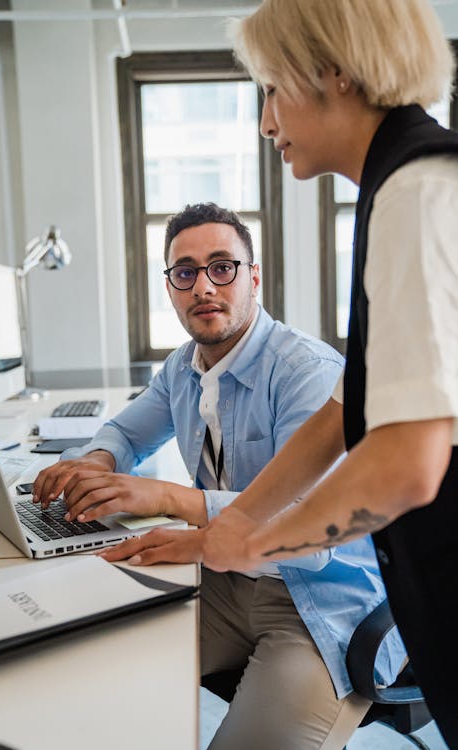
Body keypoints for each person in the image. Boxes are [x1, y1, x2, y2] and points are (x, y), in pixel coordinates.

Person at [34, 202, 406, 750]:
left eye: (221, 267)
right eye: (185, 272)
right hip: (225, 581)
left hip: (320, 606)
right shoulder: (184, 367)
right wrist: (96, 462)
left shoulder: (307, 373)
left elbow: (312, 540)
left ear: (253, 277)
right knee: (84, 669)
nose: (203, 286)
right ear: (170, 288)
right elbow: (127, 433)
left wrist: (175, 498)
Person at [185, 1, 458, 746]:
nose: (266, 123)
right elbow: (343, 415)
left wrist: (257, 546)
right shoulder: (394, 189)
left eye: (271, 89)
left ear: (332, 72)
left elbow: (405, 467)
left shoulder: (417, 191)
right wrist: (237, 520)